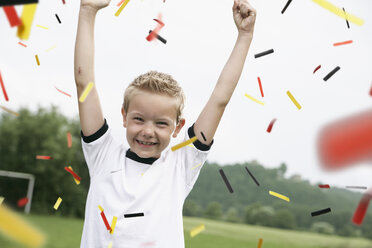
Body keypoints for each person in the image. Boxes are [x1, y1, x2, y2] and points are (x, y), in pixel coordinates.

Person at [74, 0, 256, 247]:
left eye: (161, 123)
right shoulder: (102, 154)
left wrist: (244, 35)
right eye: (139, 119)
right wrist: (87, 10)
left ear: (178, 128)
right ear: (124, 116)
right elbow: (85, 84)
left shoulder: (181, 164)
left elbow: (219, 100)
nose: (148, 131)